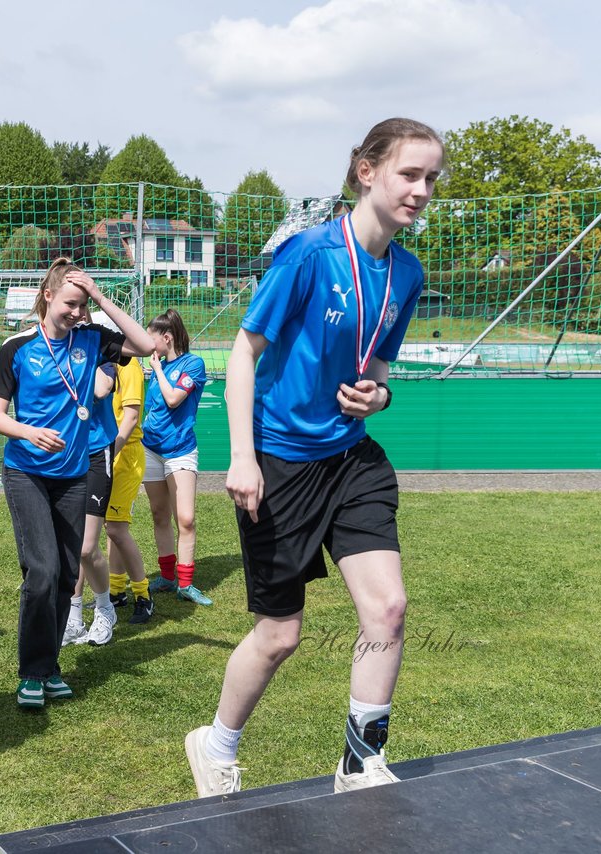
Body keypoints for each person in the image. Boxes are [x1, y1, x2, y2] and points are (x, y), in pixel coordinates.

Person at [184, 118, 442, 798]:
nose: (421, 190)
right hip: (280, 463)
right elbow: (242, 354)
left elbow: (379, 366)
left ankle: (360, 762)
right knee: (281, 634)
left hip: (352, 459)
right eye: (409, 174)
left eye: (431, 179)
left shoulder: (407, 273)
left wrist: (377, 397)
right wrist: (242, 458)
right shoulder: (307, 255)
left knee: (387, 609)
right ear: (367, 171)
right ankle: (216, 743)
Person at [0, 258, 153, 708]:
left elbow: (147, 343)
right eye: (71, 304)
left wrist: (99, 297)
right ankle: (31, 673)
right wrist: (29, 431)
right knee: (41, 571)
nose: (77, 314)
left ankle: (48, 667)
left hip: (75, 474)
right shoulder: (17, 348)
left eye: (82, 306)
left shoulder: (92, 340)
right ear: (47, 297)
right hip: (27, 472)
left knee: (65, 575)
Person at [141, 309, 211, 606]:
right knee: (159, 514)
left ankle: (186, 583)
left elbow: (173, 400)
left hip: (180, 450)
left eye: (150, 339)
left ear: (166, 338)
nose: (147, 345)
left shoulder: (192, 364)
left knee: (185, 518)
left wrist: (157, 370)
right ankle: (168, 578)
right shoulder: (155, 369)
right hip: (151, 449)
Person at [63, 356, 119, 647]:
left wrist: (88, 354)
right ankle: (73, 618)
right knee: (69, 544)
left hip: (97, 453)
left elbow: (99, 390)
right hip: (66, 454)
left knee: (86, 547)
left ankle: (105, 609)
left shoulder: (106, 364)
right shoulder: (57, 356)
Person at [104, 355, 154, 624]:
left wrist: (111, 450)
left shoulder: (128, 365)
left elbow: (131, 417)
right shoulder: (101, 362)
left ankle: (143, 594)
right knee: (109, 526)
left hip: (125, 455)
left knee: (116, 528)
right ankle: (115, 591)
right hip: (108, 453)